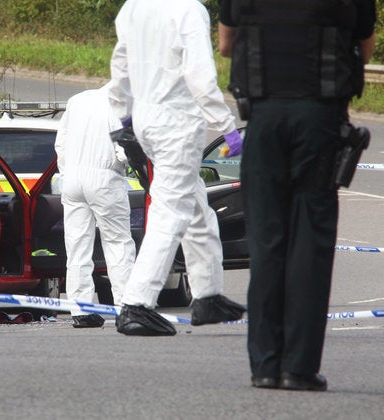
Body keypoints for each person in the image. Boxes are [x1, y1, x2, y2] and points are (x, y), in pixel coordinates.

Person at [218, 0, 376, 391]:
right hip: (319, 119)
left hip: (264, 119)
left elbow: (226, 44)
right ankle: (299, 367)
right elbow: (366, 47)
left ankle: (265, 366)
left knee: (267, 241)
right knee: (311, 242)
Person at [108, 0, 247, 337]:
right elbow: (199, 73)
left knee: (196, 209)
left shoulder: (133, 8)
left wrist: (123, 116)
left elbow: (120, 66)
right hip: (177, 122)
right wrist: (227, 125)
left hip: (145, 118)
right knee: (171, 211)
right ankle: (136, 304)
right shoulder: (188, 10)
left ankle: (207, 295)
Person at [55, 83, 137, 328]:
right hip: (104, 178)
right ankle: (127, 306)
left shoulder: (78, 100)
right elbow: (124, 148)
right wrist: (132, 162)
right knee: (118, 243)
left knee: (77, 244)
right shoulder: (122, 104)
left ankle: (80, 309)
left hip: (72, 178)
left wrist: (67, 169)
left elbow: (61, 142)